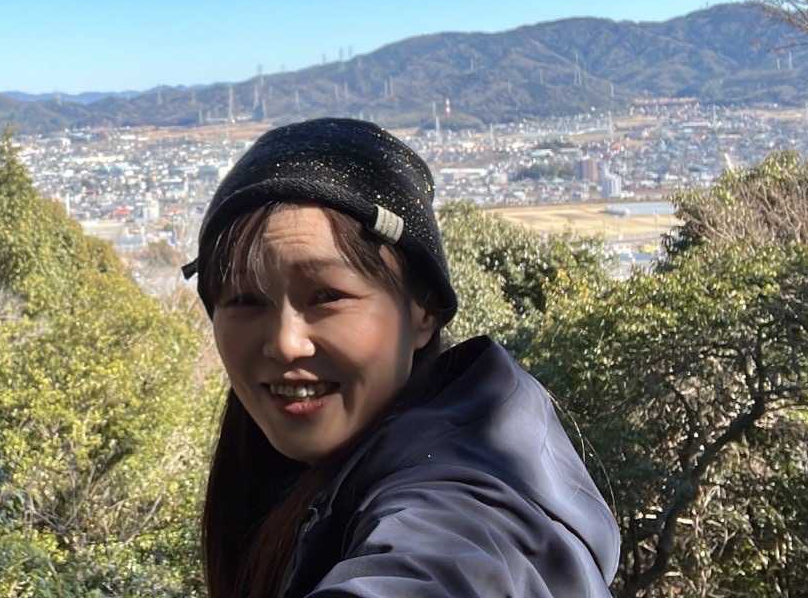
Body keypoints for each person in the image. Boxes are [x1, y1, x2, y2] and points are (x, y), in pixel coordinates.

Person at [184, 117, 620, 597]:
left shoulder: (469, 507)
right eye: (245, 300)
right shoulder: (294, 479)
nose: (286, 343)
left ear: (424, 311)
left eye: (327, 296)